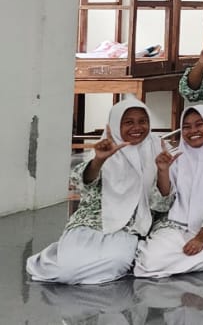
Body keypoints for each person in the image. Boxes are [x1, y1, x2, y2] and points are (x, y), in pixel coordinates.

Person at [28, 100, 160, 284]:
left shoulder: (157, 147)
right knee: (67, 273)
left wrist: (164, 171)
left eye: (142, 121)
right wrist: (99, 160)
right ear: (115, 124)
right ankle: (58, 259)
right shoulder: (104, 147)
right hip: (91, 222)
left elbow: (162, 198)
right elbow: (82, 182)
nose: (137, 127)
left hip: (129, 227)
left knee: (116, 263)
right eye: (128, 122)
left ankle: (80, 264)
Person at [133, 106, 203, 278]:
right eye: (186, 127)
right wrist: (163, 171)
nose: (193, 131)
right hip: (174, 226)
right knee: (149, 262)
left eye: (200, 124)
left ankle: (183, 275)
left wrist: (201, 237)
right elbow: (162, 205)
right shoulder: (176, 156)